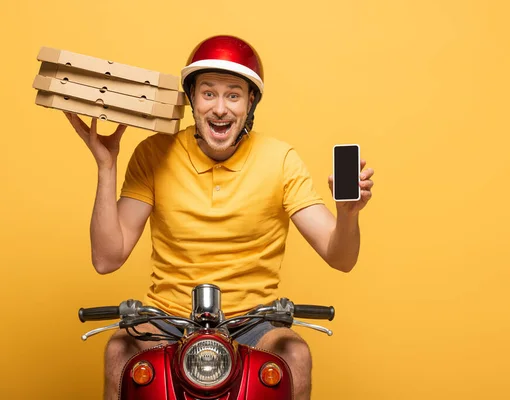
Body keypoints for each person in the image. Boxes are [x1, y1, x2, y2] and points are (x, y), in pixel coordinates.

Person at [64, 35, 374, 400]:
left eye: (233, 94)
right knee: (119, 351)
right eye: (208, 93)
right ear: (192, 99)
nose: (221, 109)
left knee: (296, 354)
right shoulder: (154, 153)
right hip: (168, 318)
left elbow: (340, 257)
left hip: (253, 321)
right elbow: (106, 258)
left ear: (250, 102)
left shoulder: (281, 160)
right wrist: (106, 164)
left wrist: (347, 214)